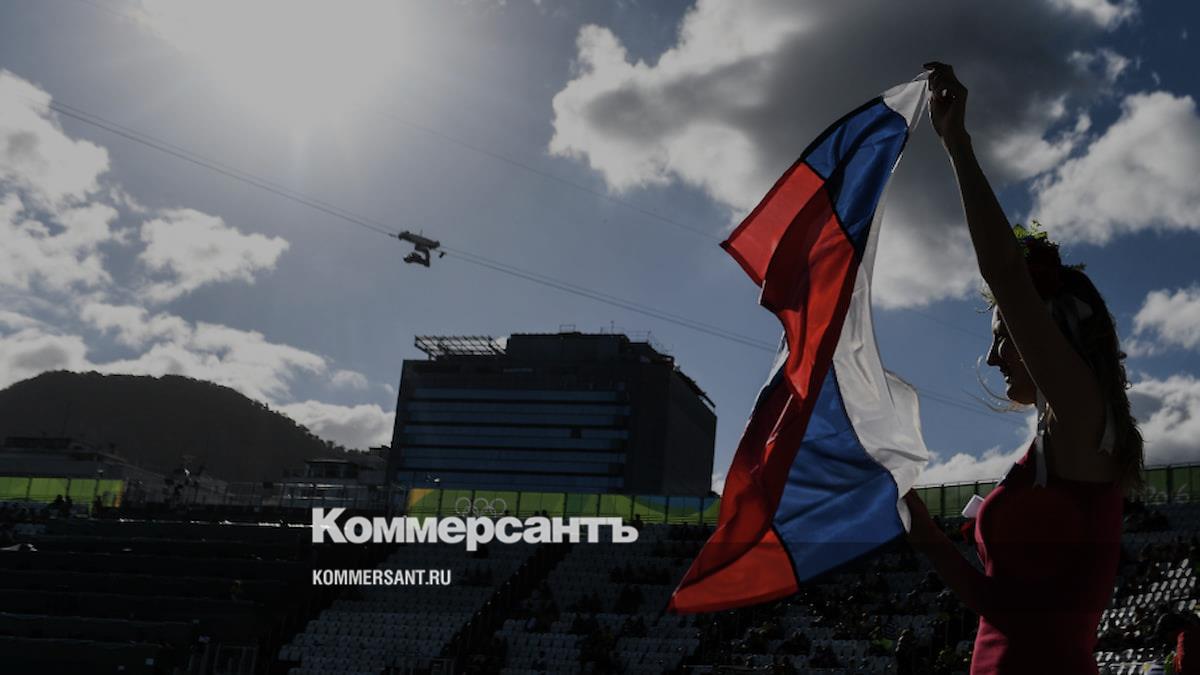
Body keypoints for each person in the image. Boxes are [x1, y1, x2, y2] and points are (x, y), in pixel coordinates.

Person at [902, 62, 1145, 675]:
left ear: (1052, 333)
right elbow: (999, 608)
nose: (992, 358)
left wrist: (956, 144)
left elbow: (1007, 275)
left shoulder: (1084, 414)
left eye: (1002, 337)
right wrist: (927, 536)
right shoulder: (1053, 445)